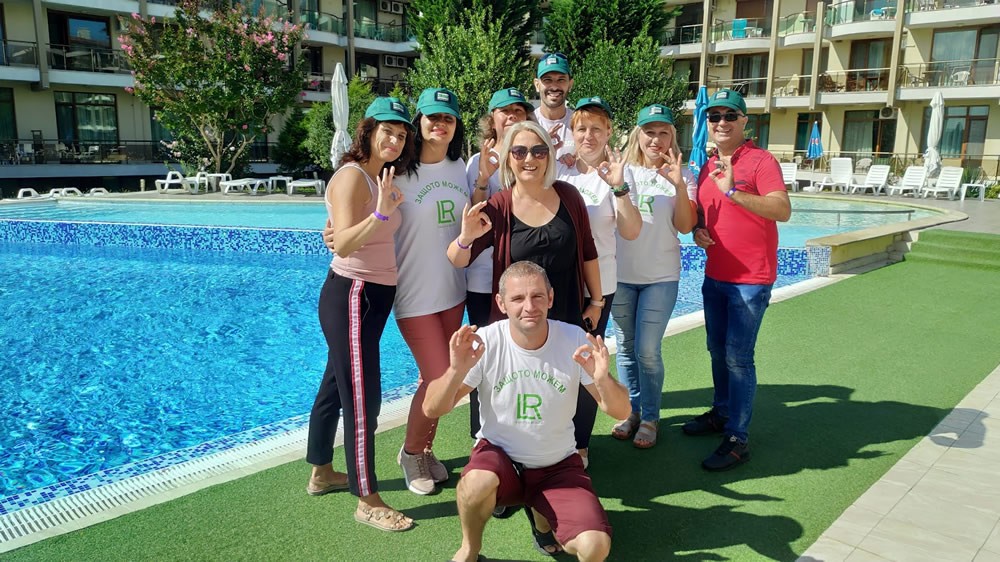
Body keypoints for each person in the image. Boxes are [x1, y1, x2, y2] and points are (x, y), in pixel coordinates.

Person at [422, 261, 631, 562]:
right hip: (500, 457)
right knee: (475, 483)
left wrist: (603, 380)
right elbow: (432, 408)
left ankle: (540, 515)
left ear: (551, 298)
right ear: (501, 303)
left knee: (594, 546)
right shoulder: (486, 342)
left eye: (537, 296)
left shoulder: (573, 339)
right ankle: (470, 548)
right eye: (518, 298)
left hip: (556, 465)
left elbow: (621, 410)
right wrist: (455, 371)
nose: (529, 307)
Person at [305, 97, 417, 531]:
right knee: (362, 397)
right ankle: (367, 499)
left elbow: (348, 232)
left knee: (336, 386)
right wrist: (381, 214)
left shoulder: (378, 176)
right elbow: (344, 243)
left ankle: (321, 472)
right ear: (368, 131)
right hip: (354, 293)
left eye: (401, 135)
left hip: (369, 296)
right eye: (387, 131)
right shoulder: (352, 176)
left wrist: (382, 210)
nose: (394, 140)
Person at [681, 89, 791, 471]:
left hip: (750, 280)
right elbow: (704, 214)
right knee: (716, 350)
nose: (722, 122)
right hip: (715, 276)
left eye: (730, 115)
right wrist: (697, 229)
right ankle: (722, 413)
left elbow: (782, 209)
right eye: (714, 117)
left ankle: (737, 438)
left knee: (738, 358)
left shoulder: (761, 161)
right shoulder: (708, 165)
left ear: (745, 121)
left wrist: (733, 191)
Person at [448, 119, 602, 333]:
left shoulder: (569, 196)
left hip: (567, 322)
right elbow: (457, 259)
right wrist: (465, 238)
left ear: (549, 156)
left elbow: (588, 251)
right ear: (508, 159)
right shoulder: (499, 206)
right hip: (520, 328)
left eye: (539, 151)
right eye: (519, 152)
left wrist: (596, 302)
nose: (529, 159)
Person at [390, 88, 469, 495]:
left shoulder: (461, 168)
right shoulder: (397, 171)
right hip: (414, 294)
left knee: (438, 379)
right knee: (441, 377)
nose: (440, 124)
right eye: (432, 117)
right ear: (418, 122)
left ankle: (424, 448)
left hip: (453, 291)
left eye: (448, 118)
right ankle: (410, 452)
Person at [555, 96, 642, 466]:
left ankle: (579, 444)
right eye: (581, 128)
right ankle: (552, 438)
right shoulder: (560, 171)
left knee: (587, 366)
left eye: (596, 128)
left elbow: (632, 231)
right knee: (556, 364)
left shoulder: (618, 174)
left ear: (609, 132)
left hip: (597, 289)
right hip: (558, 283)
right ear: (571, 132)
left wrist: (619, 188)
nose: (588, 135)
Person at [610, 104, 697, 449]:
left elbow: (686, 227)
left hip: (661, 275)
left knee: (647, 349)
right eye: (649, 132)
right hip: (621, 275)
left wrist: (678, 186)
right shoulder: (623, 171)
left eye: (663, 133)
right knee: (625, 348)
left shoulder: (683, 174)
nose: (656, 140)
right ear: (639, 135)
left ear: (672, 136)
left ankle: (650, 416)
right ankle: (631, 411)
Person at [465, 87, 535, 439]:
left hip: (522, 280)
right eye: (504, 111)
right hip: (483, 278)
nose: (511, 116)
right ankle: (482, 434)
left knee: (521, 357)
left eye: (518, 110)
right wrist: (483, 178)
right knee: (484, 356)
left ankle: (520, 430)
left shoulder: (533, 156)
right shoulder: (477, 162)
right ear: (491, 118)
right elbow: (470, 216)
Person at [533, 52, 575, 158]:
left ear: (570, 84)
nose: (554, 87)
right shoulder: (528, 124)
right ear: (537, 85)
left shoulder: (580, 124)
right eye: (547, 80)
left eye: (561, 80)